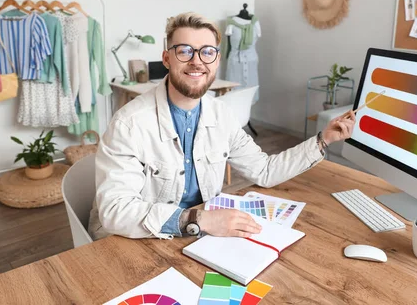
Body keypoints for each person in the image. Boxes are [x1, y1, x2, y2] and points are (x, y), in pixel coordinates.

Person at [88, 12, 356, 240]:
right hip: (138, 238)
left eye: (207, 52)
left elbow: (264, 171)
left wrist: (324, 139)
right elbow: (115, 211)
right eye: (184, 51)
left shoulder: (221, 115)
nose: (197, 61)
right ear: (167, 59)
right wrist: (200, 220)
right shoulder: (129, 123)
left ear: (216, 60)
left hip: (197, 236)